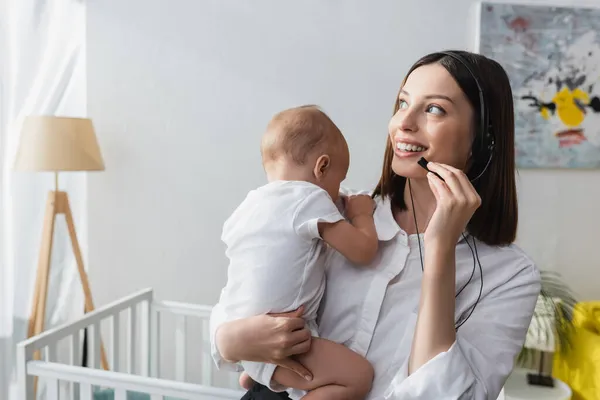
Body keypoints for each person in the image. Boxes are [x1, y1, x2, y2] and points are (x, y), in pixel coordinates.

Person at [210, 50, 542, 400]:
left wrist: (439, 250)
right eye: (402, 103)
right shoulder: (333, 212)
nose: (404, 122)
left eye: (434, 109)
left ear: (484, 141)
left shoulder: (511, 275)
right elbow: (243, 290)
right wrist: (229, 341)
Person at [214, 105, 379, 400]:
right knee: (359, 377)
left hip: (244, 333)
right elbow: (364, 251)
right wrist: (362, 215)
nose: (337, 193)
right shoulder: (309, 198)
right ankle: (265, 372)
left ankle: (259, 372)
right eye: (338, 183)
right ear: (322, 167)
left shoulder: (247, 207)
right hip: (285, 337)